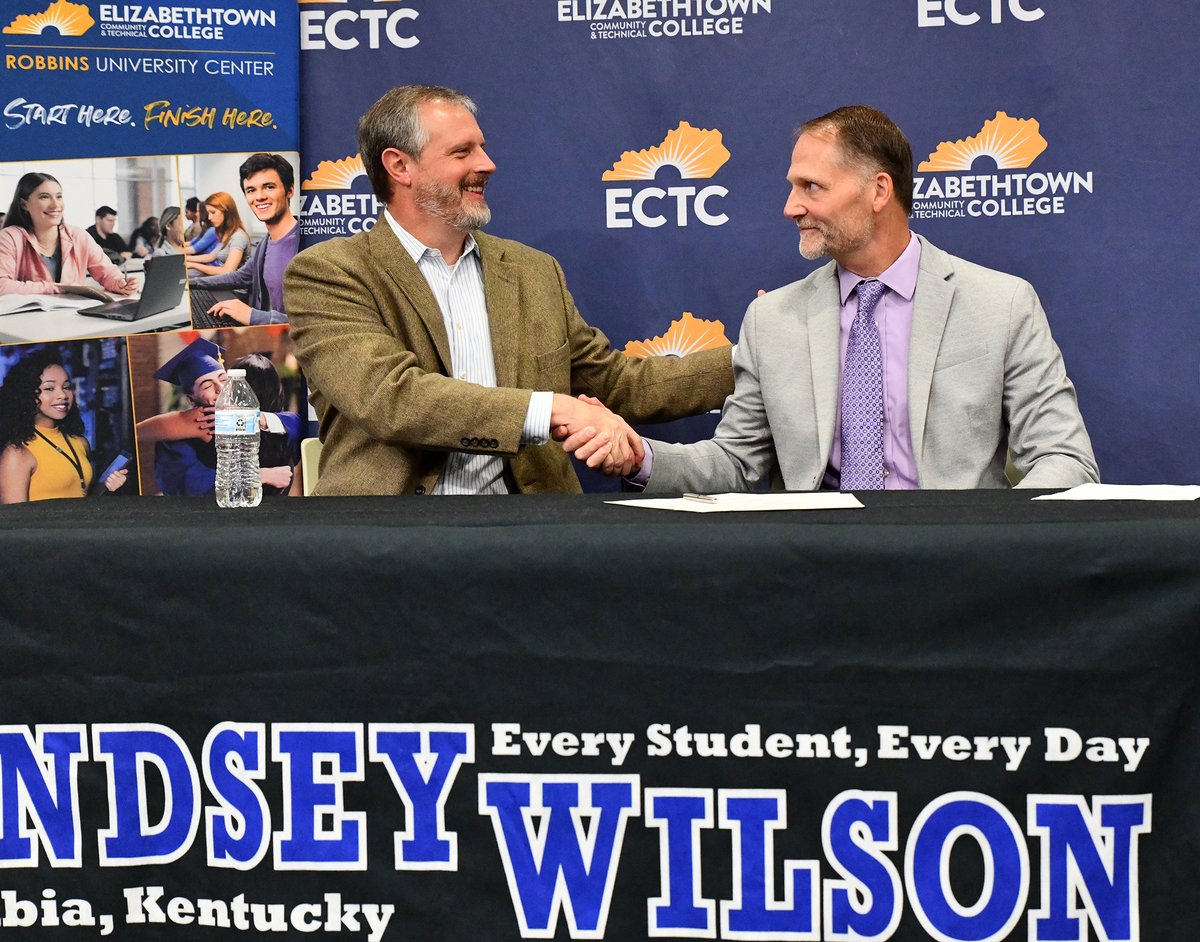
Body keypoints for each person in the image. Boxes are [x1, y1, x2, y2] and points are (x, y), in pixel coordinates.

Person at [593, 105, 1098, 492]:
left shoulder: (1001, 304)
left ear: (879, 191)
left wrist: (994, 540)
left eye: (812, 187)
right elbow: (736, 465)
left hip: (961, 569)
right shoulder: (772, 320)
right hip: (819, 573)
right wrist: (642, 458)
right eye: (793, 187)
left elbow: (1064, 458)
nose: (792, 207)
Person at [283, 84, 734, 496]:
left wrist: (756, 358)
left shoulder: (532, 271)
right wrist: (555, 411)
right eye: (462, 152)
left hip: (532, 531)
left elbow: (615, 384)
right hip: (388, 540)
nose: (487, 164)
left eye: (482, 147)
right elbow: (393, 397)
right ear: (399, 166)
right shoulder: (329, 273)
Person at [136, 338, 298, 496]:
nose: (220, 388)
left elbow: (299, 426)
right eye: (207, 385)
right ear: (192, 400)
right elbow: (190, 486)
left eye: (224, 379)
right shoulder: (184, 434)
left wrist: (256, 418)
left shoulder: (253, 416)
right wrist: (260, 476)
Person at [0, 351, 129, 502]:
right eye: (49, 388)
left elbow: (81, 495)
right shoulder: (17, 453)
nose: (63, 395)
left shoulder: (80, 442)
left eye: (66, 387)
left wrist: (107, 487)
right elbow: (15, 521)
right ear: (27, 394)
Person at [190, 153, 299, 325]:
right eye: (251, 190)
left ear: (289, 191)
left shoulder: (308, 244)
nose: (259, 197)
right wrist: (193, 283)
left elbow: (318, 323)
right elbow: (239, 277)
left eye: (269, 187)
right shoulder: (265, 243)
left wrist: (251, 315)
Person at [0, 175, 136, 297]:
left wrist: (120, 283)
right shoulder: (9, 238)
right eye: (44, 197)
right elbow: (2, 286)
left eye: (59, 196)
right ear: (24, 204)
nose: (55, 205)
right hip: (28, 321)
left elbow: (107, 273)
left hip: (72, 318)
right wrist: (57, 288)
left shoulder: (78, 236)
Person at [184, 192, 249, 277]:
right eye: (208, 213)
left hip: (234, 287)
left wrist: (193, 265)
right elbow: (210, 257)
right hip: (221, 278)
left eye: (213, 212)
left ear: (226, 212)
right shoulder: (225, 233)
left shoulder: (238, 237)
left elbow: (227, 271)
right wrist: (185, 259)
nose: (209, 217)